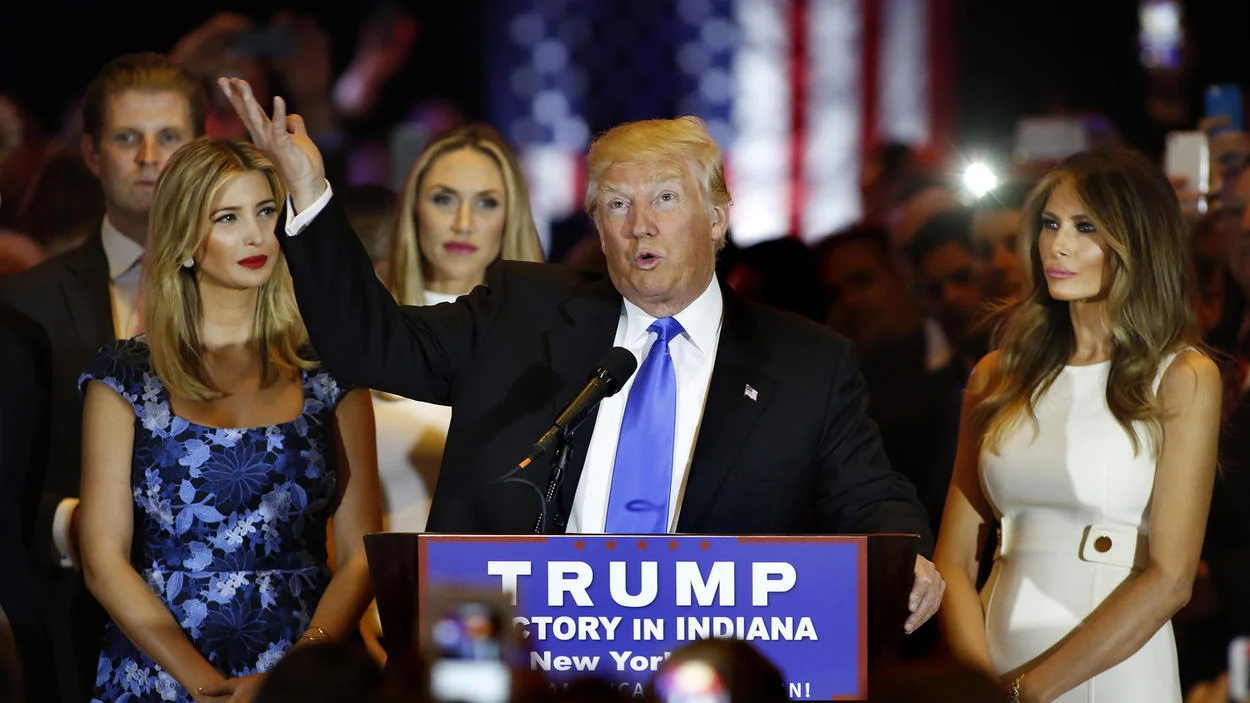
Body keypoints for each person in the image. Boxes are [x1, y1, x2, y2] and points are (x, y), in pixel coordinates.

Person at [219, 76, 945, 634]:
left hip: (712, 659)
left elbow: (872, 494)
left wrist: (903, 552)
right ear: (596, 224)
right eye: (618, 206)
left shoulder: (807, 362)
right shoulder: (522, 313)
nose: (641, 227)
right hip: (525, 653)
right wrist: (308, 191)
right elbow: (368, 345)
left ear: (719, 216)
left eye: (665, 198)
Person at [77, 137, 381, 702]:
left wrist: (290, 678)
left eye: (266, 211)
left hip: (303, 670)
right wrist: (206, 687)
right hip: (158, 668)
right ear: (186, 240)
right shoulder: (124, 374)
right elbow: (101, 559)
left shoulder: (332, 370)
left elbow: (363, 553)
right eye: (228, 217)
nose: (256, 235)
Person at [933, 146, 1220, 702]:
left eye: (1084, 226)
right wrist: (980, 689)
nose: (1057, 245)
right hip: (994, 658)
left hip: (1116, 666)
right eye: (1049, 223)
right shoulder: (998, 374)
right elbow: (953, 559)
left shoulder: (1183, 376)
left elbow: (1172, 578)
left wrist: (1031, 692)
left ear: (1136, 241)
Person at [0, 52, 206, 703]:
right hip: (70, 629)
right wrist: (77, 523)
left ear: (200, 148)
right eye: (127, 137)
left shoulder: (261, 294)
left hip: (226, 615)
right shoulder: (23, 304)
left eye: (169, 136)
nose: (149, 156)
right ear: (91, 153)